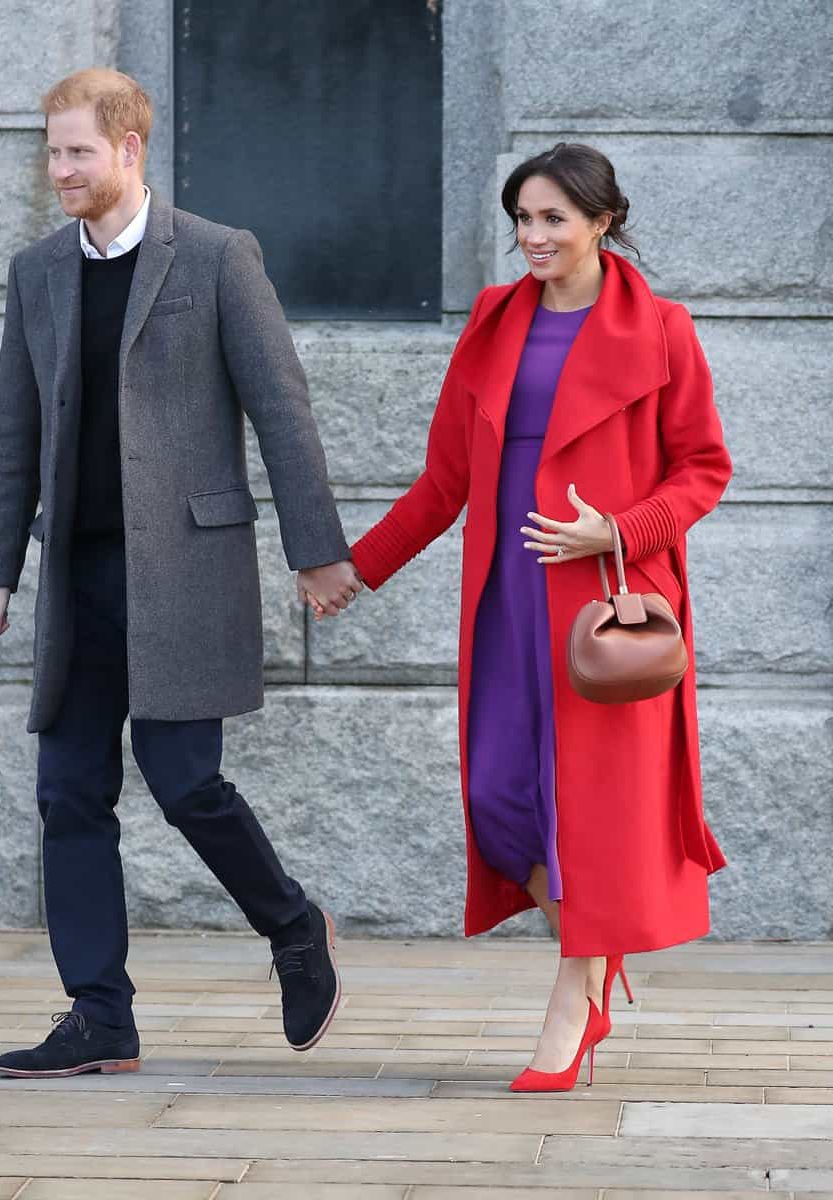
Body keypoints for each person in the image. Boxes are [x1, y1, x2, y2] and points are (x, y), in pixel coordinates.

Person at [0, 68, 362, 1078]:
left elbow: (282, 407)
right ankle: (99, 1014)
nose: (60, 170)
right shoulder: (38, 272)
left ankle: (292, 927)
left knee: (187, 782)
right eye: (52, 152)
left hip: (185, 567)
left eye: (77, 153)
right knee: (68, 791)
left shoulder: (220, 258)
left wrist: (316, 550)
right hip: (80, 575)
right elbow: (14, 427)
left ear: (130, 148)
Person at [314, 143, 732, 1092]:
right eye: (522, 220)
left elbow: (704, 467)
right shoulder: (496, 320)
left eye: (552, 219)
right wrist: (359, 569)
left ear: (602, 222)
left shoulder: (662, 328)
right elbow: (450, 478)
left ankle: (572, 997)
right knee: (500, 801)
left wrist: (617, 532)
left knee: (594, 816)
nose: (532, 238)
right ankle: (598, 945)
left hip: (608, 611)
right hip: (506, 599)